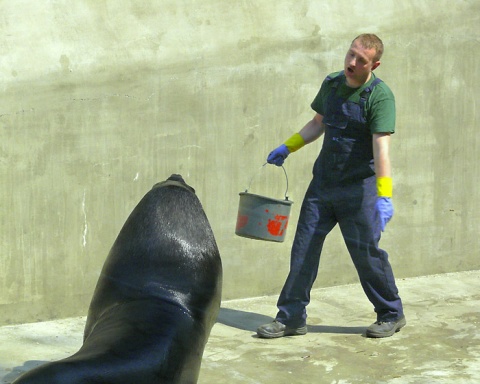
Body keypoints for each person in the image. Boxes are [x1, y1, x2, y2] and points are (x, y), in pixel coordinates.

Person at [257, 34, 405, 339]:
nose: (352, 63)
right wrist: (288, 146)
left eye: (360, 60)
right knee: (303, 251)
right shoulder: (333, 84)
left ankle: (391, 313)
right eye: (350, 55)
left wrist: (384, 194)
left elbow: (382, 148)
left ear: (374, 64)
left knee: (367, 255)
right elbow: (318, 123)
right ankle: (291, 317)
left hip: (358, 192)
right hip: (322, 186)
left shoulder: (379, 96)